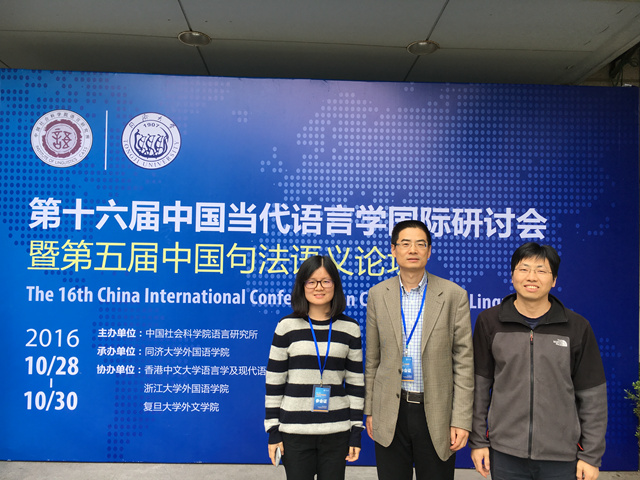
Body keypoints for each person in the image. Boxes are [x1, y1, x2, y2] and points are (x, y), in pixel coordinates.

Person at [469, 242, 607, 480]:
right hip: (505, 452)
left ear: (554, 280)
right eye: (524, 269)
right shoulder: (489, 322)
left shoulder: (577, 327)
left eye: (541, 270)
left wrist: (590, 456)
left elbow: (592, 397)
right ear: (512, 275)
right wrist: (479, 441)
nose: (531, 277)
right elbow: (479, 388)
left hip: (561, 456)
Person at [364, 220, 474, 480]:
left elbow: (464, 362)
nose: (412, 249)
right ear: (393, 249)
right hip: (390, 411)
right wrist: (370, 410)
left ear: (429, 251)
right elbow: (372, 359)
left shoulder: (453, 295)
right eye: (405, 243)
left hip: (436, 411)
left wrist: (460, 419)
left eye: (420, 244)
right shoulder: (378, 294)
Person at [264, 255, 365, 480]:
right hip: (295, 432)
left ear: (335, 285)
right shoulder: (286, 327)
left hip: (337, 432)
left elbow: (356, 383)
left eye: (326, 281)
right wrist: (273, 430)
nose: (319, 287)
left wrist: (356, 430)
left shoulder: (350, 328)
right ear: (302, 286)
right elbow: (274, 382)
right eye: (311, 281)